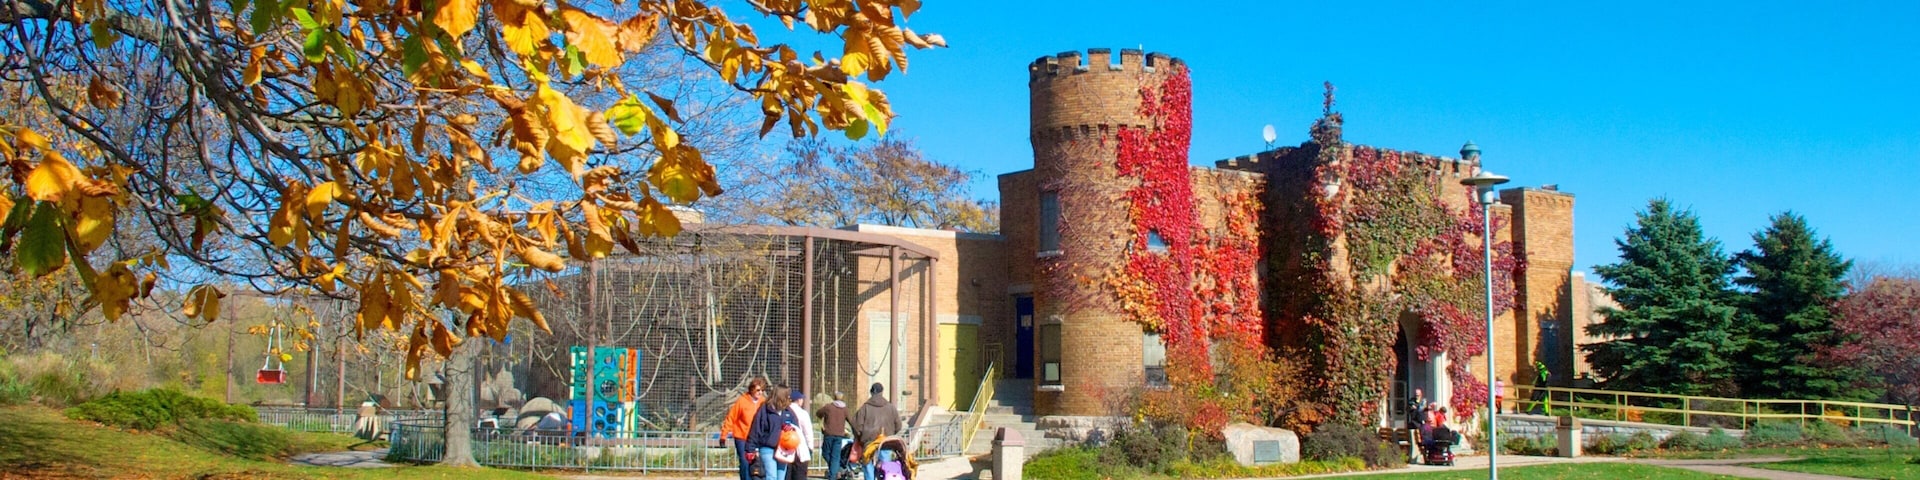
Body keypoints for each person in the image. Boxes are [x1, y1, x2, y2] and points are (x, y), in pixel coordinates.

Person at [852, 383, 901, 480]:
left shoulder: (865, 408)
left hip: (868, 442)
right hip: (886, 442)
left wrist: (860, 437)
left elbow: (857, 425)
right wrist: (890, 434)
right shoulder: (891, 407)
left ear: (871, 392)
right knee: (885, 467)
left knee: (867, 464)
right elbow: (898, 425)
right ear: (882, 392)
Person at [749, 386, 800, 480]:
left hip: (784, 449)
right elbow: (756, 429)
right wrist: (750, 448)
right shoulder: (765, 409)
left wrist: (791, 428)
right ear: (781, 396)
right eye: (787, 396)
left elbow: (796, 427)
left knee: (781, 477)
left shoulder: (788, 411)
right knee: (771, 476)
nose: (789, 399)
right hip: (767, 447)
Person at [723, 378, 769, 480]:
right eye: (758, 390)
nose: (760, 392)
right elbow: (731, 417)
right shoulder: (742, 401)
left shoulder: (763, 402)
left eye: (762, 390)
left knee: (757, 462)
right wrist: (723, 435)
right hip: (742, 437)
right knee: (745, 461)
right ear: (752, 390)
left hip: (757, 437)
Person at [816, 391, 853, 480]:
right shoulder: (845, 409)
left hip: (829, 434)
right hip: (839, 435)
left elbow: (818, 413)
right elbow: (851, 420)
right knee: (835, 456)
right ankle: (835, 470)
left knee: (825, 453)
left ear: (834, 397)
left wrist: (822, 418)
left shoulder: (829, 407)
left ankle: (833, 474)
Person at [787, 389, 816, 480]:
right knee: (799, 475)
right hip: (800, 448)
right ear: (799, 400)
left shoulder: (785, 410)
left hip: (786, 448)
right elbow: (808, 432)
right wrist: (810, 447)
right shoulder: (803, 413)